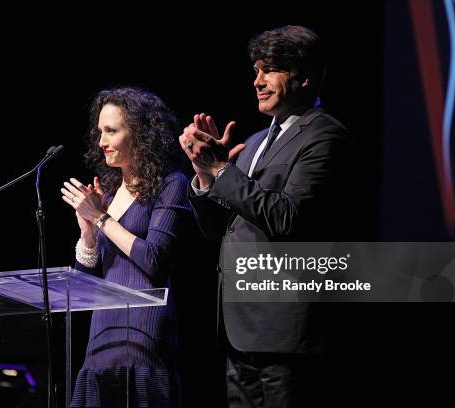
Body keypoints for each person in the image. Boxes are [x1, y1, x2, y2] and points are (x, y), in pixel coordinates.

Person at [179, 25, 351, 407]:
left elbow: (287, 219)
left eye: (269, 70)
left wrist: (224, 170)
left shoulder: (324, 136)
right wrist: (207, 176)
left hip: (285, 335)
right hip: (239, 329)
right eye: (256, 70)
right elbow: (219, 231)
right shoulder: (254, 142)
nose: (257, 81)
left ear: (304, 77)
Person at [61, 87, 189, 408]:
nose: (101, 141)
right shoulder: (110, 191)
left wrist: (102, 218)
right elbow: (84, 287)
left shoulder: (172, 183)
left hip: (144, 333)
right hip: (102, 336)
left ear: (142, 134)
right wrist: (87, 230)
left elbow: (154, 258)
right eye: (99, 131)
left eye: (111, 131)